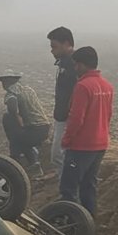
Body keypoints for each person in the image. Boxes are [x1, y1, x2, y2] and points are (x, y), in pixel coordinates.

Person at [59, 46, 115, 215]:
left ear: (83, 65)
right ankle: (89, 220)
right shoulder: (107, 86)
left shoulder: (83, 86)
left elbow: (76, 118)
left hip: (81, 146)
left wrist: (67, 140)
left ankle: (69, 223)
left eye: (76, 65)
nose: (75, 68)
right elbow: (108, 115)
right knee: (89, 185)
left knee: (68, 188)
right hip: (100, 144)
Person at [0, 71, 53, 176]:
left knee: (11, 126)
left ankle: (21, 164)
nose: (3, 85)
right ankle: (27, 159)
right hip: (44, 128)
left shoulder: (11, 93)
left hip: (34, 130)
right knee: (20, 136)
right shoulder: (28, 90)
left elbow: (12, 108)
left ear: (8, 82)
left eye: (4, 82)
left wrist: (18, 121)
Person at [46, 26, 78, 174]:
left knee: (59, 156)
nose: (52, 50)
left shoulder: (74, 65)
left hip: (67, 117)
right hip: (62, 116)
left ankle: (68, 191)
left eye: (55, 46)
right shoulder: (64, 63)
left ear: (66, 44)